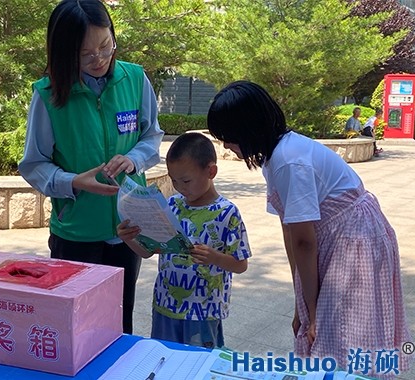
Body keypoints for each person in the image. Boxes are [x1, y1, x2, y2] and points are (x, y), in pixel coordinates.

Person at [206, 81, 412, 379]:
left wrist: (314, 312)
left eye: (229, 137)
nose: (226, 146)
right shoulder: (276, 156)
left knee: (340, 335)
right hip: (342, 238)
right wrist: (301, 304)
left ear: (248, 129)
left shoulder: (289, 162)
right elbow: (290, 233)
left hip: (355, 242)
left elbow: (304, 242)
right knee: (326, 332)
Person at [18, 0, 164, 335]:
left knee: (119, 321)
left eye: (105, 45)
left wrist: (135, 158)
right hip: (75, 233)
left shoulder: (135, 79)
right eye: (86, 54)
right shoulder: (49, 94)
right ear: (64, 52)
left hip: (128, 229)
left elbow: (151, 135)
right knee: (74, 328)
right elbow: (34, 164)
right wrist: (74, 181)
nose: (99, 59)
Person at [117, 132, 251, 348]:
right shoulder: (172, 205)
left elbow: (240, 264)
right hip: (166, 306)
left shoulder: (227, 213)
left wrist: (214, 257)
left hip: (203, 312)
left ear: (211, 171)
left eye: (186, 180)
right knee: (165, 361)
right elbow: (149, 251)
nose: (180, 187)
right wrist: (130, 239)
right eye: (174, 180)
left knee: (198, 366)